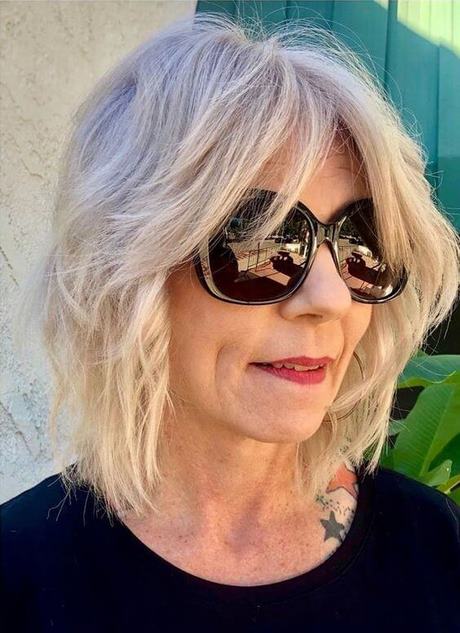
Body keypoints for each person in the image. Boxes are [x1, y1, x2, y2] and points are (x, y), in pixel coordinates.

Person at [1, 12, 459, 633]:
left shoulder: (437, 551)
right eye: (262, 239)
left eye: (363, 243)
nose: (331, 298)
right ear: (127, 272)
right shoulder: (21, 577)